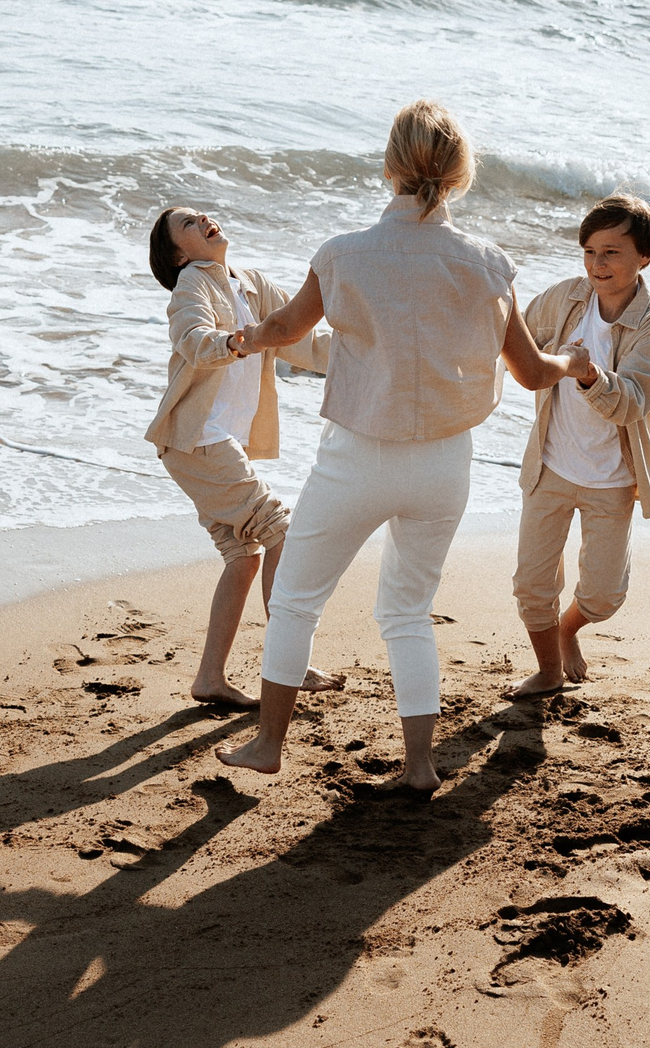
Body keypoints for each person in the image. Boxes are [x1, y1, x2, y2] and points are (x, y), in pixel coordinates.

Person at [214, 100, 583, 791]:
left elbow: (287, 329)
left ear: (389, 168)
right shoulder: (488, 264)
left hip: (358, 456)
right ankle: (418, 766)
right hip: (445, 465)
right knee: (407, 611)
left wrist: (240, 336)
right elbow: (532, 373)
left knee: (296, 599)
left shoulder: (343, 253)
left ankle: (268, 744)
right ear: (460, 173)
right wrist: (575, 363)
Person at [143, 205, 344, 709]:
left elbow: (302, 339)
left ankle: (210, 678)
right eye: (188, 224)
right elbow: (191, 339)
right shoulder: (193, 283)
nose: (204, 220)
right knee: (280, 530)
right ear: (178, 253)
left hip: (211, 445)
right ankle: (288, 664)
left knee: (244, 554)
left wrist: (366, 357)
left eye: (202, 214)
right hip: (196, 439)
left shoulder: (250, 284)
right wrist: (240, 339)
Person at [505, 193, 650, 699]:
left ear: (644, 255)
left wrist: (588, 374)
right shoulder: (565, 299)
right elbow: (514, 339)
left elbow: (632, 404)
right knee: (532, 586)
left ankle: (568, 629)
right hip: (550, 466)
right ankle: (548, 670)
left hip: (613, 478)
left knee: (603, 596)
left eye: (611, 252)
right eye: (588, 252)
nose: (597, 264)